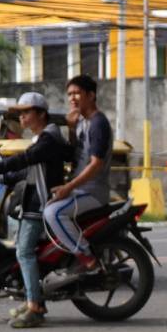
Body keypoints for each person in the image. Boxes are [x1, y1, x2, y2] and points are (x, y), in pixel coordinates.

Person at [0, 92, 74, 330]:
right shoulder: (43, 137)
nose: (22, 117)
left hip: (40, 204)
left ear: (41, 113)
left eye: (27, 112)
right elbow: (24, 172)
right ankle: (34, 297)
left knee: (24, 252)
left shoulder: (48, 139)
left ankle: (34, 307)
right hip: (33, 202)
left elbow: (25, 160)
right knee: (24, 251)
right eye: (20, 113)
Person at [40, 75, 111, 291]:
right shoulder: (81, 122)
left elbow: (96, 164)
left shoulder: (98, 123)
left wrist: (67, 188)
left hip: (92, 191)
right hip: (80, 189)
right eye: (69, 94)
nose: (72, 98)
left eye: (77, 93)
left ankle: (88, 259)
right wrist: (71, 129)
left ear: (91, 95)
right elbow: (77, 154)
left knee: (52, 213)